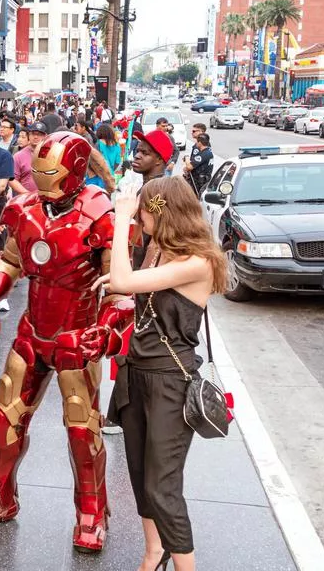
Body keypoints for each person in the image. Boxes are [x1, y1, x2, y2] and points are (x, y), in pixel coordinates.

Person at [0, 132, 134, 553]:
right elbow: (11, 260)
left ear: (72, 170)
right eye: (38, 172)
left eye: (49, 173)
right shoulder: (28, 209)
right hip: (33, 331)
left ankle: (91, 511)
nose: (41, 180)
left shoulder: (101, 213)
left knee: (80, 430)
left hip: (76, 334)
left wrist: (105, 328)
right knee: (4, 418)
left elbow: (119, 286)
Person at [96, 176, 227, 571]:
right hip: (135, 374)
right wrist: (122, 285)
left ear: (162, 212)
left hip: (171, 382)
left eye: (142, 210)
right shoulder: (158, 249)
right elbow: (133, 288)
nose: (137, 216)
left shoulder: (198, 262)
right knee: (139, 475)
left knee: (162, 487)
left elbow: (124, 279)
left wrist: (120, 220)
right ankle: (154, 552)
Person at [11, 122, 45, 195]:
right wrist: (28, 194)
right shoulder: (18, 156)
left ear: (45, 136)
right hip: (25, 200)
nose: (36, 137)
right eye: (33, 134)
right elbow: (12, 179)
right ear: (29, 135)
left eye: (39, 134)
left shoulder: (51, 155)